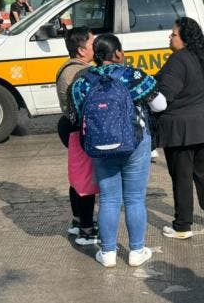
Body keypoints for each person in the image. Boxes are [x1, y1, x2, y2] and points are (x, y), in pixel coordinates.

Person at [70, 33, 167, 268]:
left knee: (109, 200)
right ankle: (136, 251)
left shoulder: (82, 81)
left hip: (100, 147)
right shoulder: (131, 75)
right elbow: (160, 104)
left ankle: (108, 253)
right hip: (134, 143)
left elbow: (76, 113)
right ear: (118, 54)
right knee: (134, 199)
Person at [155, 17, 204, 240]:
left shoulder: (178, 60)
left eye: (174, 34)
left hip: (181, 126)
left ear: (184, 38)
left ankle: (183, 226)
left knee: (182, 176)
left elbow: (164, 96)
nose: (170, 37)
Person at [55, 27, 98, 246]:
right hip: (79, 129)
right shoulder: (81, 73)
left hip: (69, 127)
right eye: (93, 43)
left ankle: (78, 219)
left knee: (78, 178)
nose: (96, 47)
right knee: (85, 180)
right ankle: (86, 230)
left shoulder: (68, 67)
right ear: (82, 50)